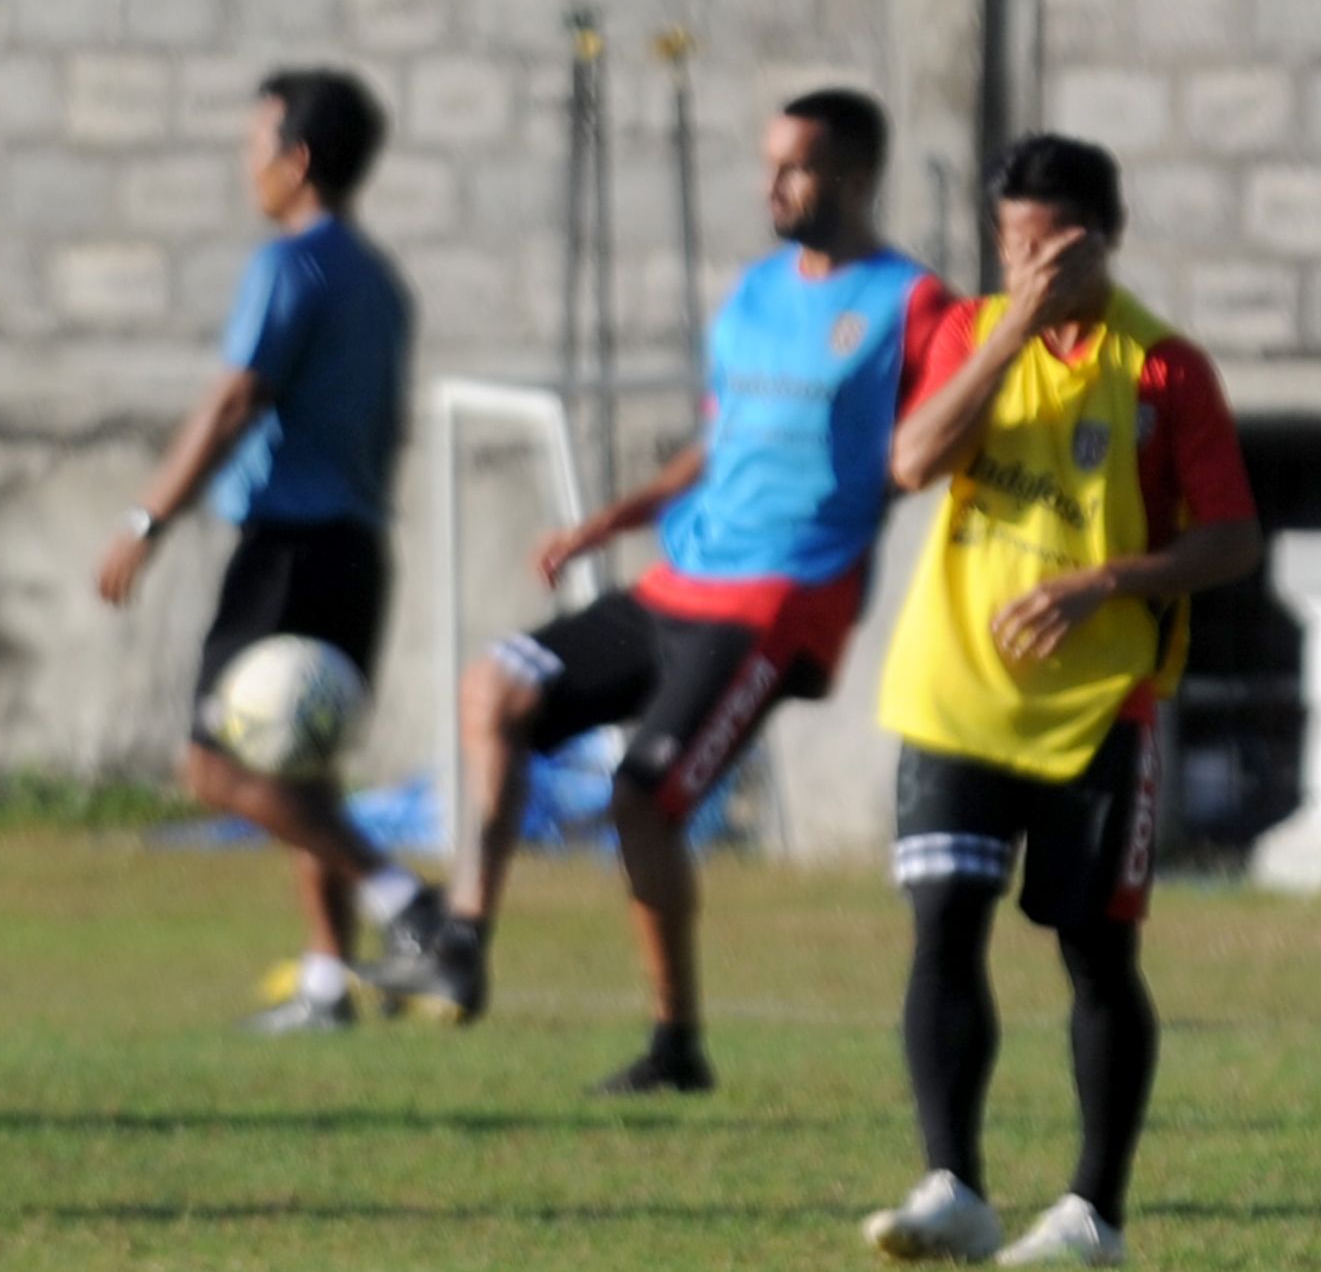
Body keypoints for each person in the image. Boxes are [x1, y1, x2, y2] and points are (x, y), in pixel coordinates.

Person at [378, 90, 961, 1093]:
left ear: (855, 178)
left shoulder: (914, 304)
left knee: (642, 797)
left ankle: (674, 1043)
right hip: (675, 582)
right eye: (767, 162)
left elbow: (937, 442)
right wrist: (609, 520)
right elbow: (719, 439)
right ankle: (465, 934)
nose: (770, 185)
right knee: (494, 687)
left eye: (796, 167)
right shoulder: (753, 293)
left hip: (778, 605)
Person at [859, 136, 1259, 1271]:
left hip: (1099, 706)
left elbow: (1231, 538)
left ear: (1093, 238)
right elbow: (911, 461)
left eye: (1044, 245)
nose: (1023, 263)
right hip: (954, 691)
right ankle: (952, 1184)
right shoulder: (964, 333)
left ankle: (1093, 1211)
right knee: (942, 923)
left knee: (1094, 954)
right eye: (1008, 244)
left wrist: (1108, 581)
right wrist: (1011, 335)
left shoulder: (1163, 370)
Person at [96, 69, 426, 1033]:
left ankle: (410, 906)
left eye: (257, 146)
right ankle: (329, 983)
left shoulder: (291, 267)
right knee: (302, 771)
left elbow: (237, 398)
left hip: (288, 546)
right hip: (358, 545)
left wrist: (147, 519)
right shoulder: (378, 280)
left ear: (300, 160)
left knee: (215, 766)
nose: (249, 166)